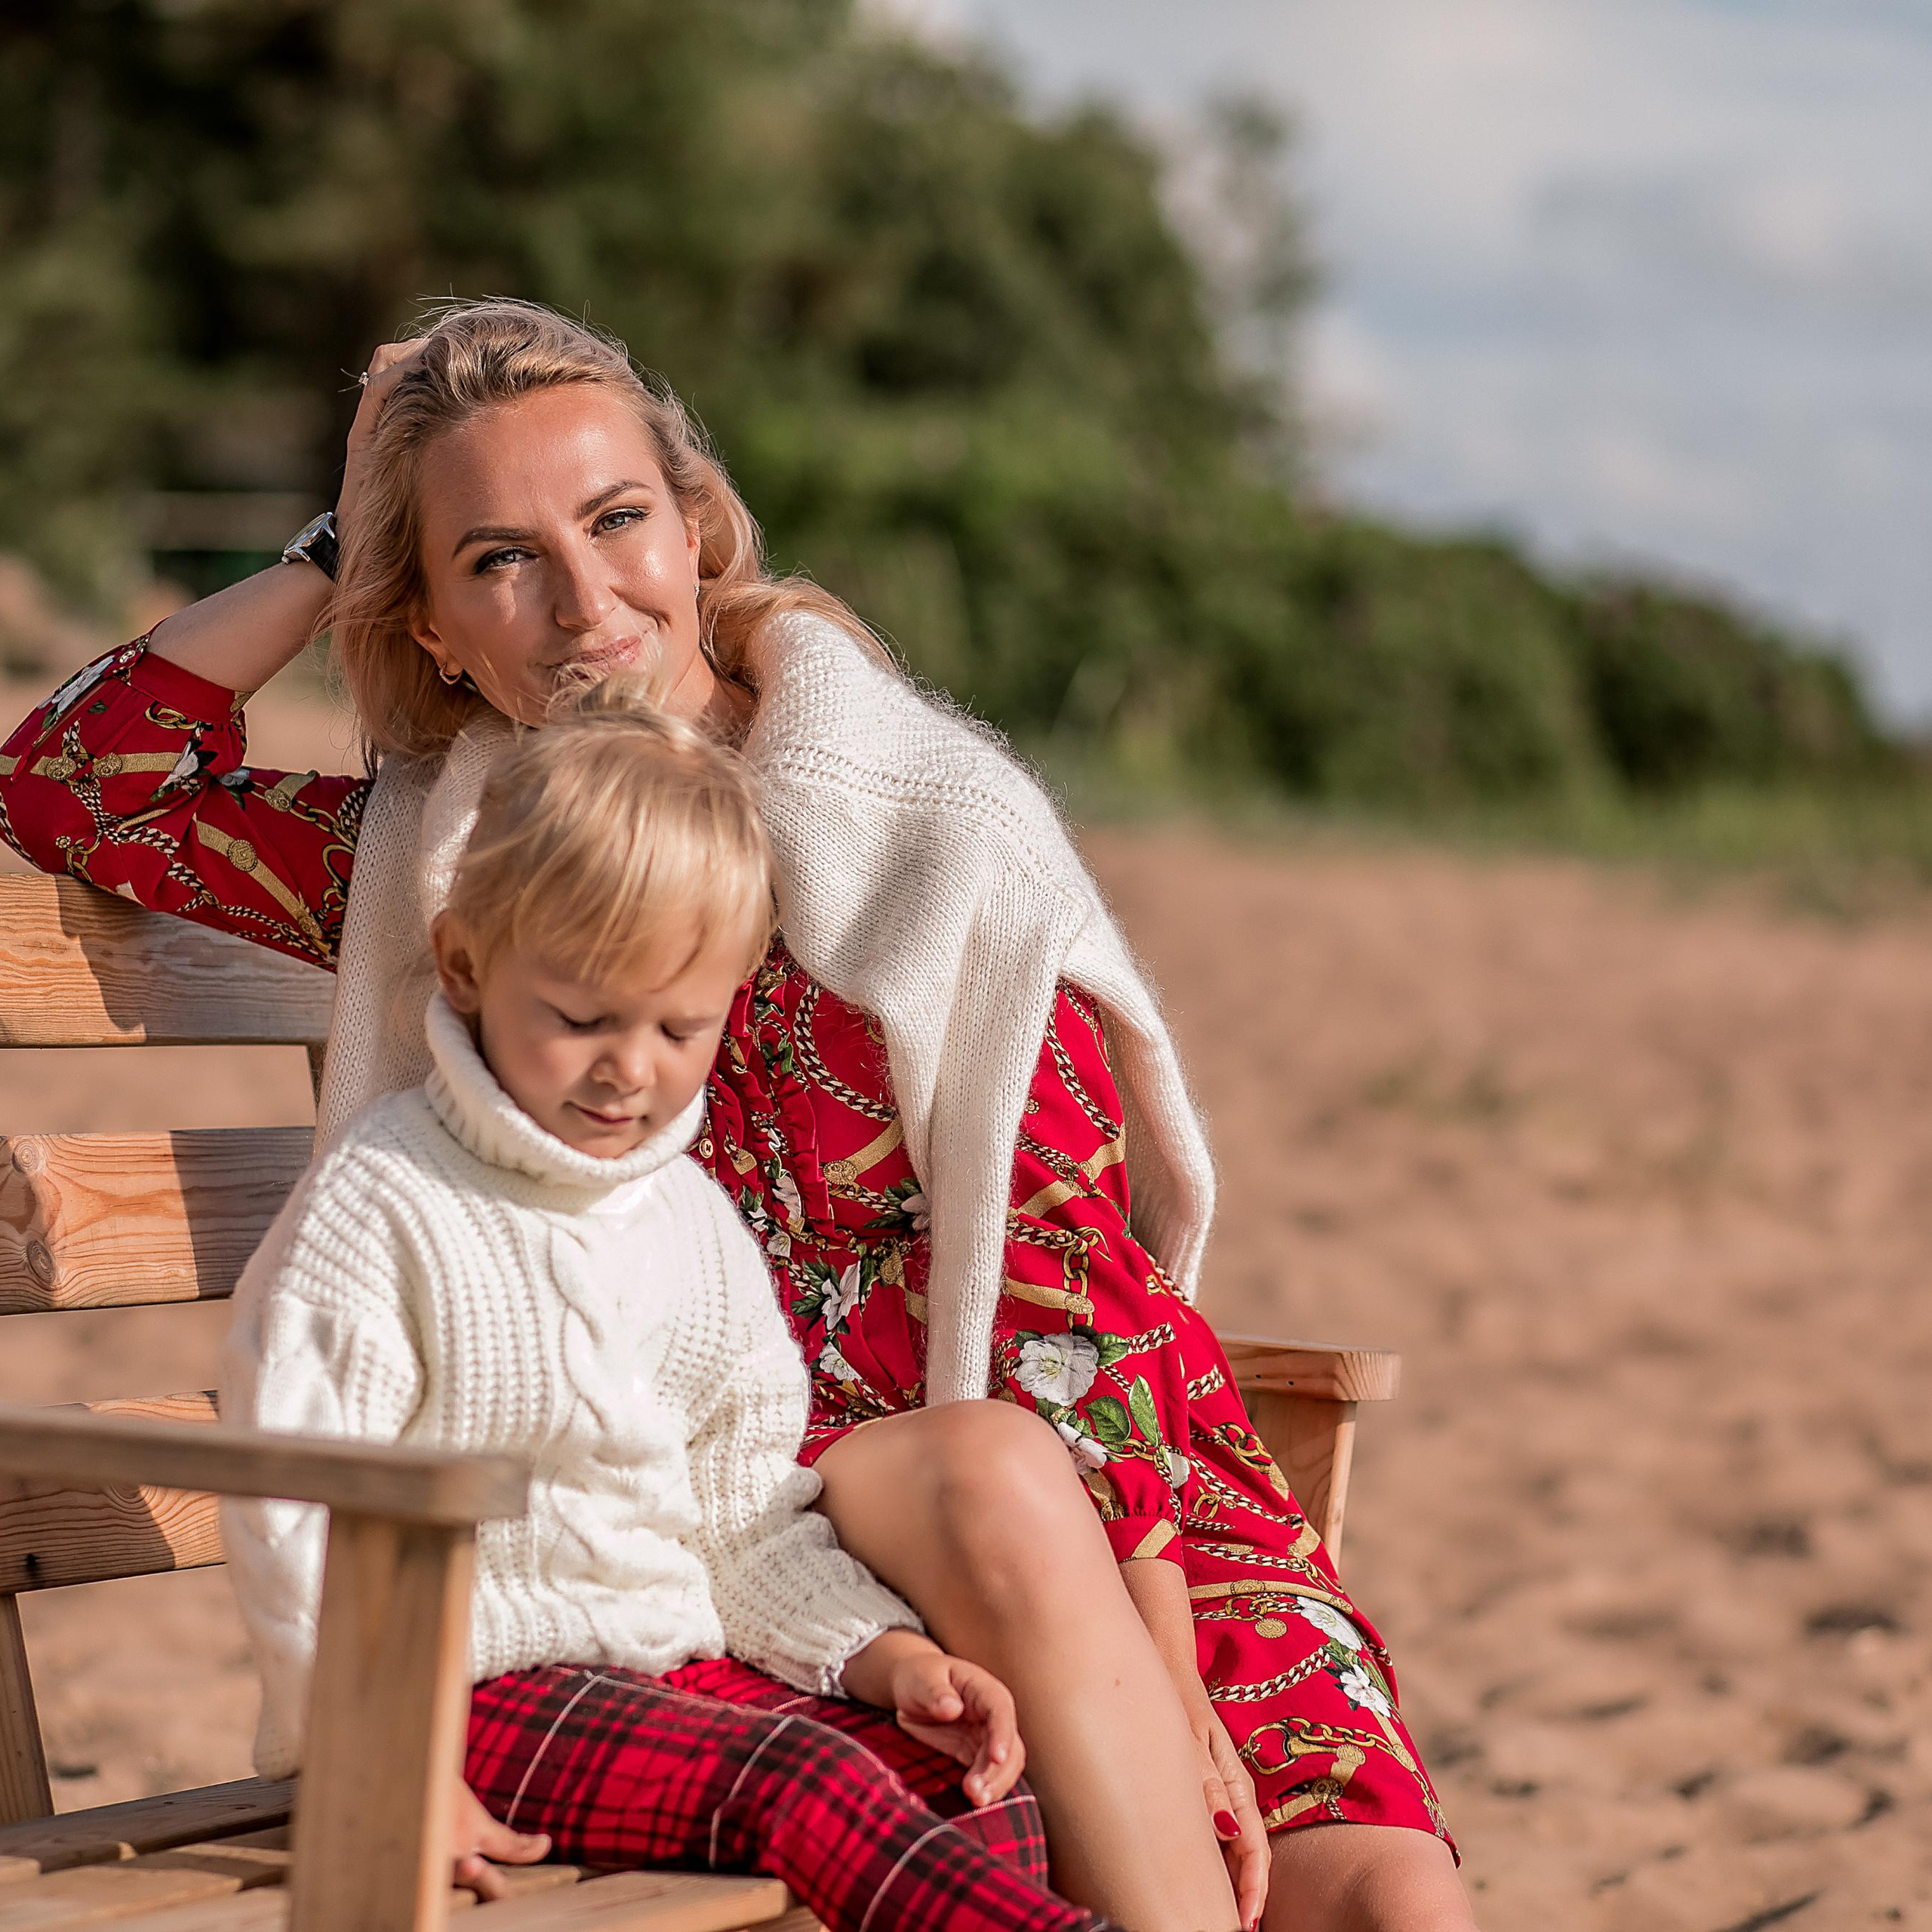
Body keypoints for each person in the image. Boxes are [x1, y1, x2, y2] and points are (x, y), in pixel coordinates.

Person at [0, 299, 1472, 1932]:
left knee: (1387, 1896)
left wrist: (1162, 1654)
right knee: (995, 1508)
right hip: (759, 1524)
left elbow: (1070, 1287)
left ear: (691, 530)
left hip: (1110, 1498)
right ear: (427, 626)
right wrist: (332, 541)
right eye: (495, 558)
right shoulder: (456, 867)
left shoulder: (928, 827)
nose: (579, 598)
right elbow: (80, 780)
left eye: (615, 519)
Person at [222, 678, 1111, 1932]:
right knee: (802, 1784)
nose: (628, 1068)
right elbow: (293, 1506)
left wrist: (882, 1656)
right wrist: (385, 1760)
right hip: (457, 1698)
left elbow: (744, 1522)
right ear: (468, 964)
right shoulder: (385, 1204)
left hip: (670, 1680)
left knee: (965, 1787)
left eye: (678, 1028)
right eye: (581, 1016)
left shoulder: (689, 1227)